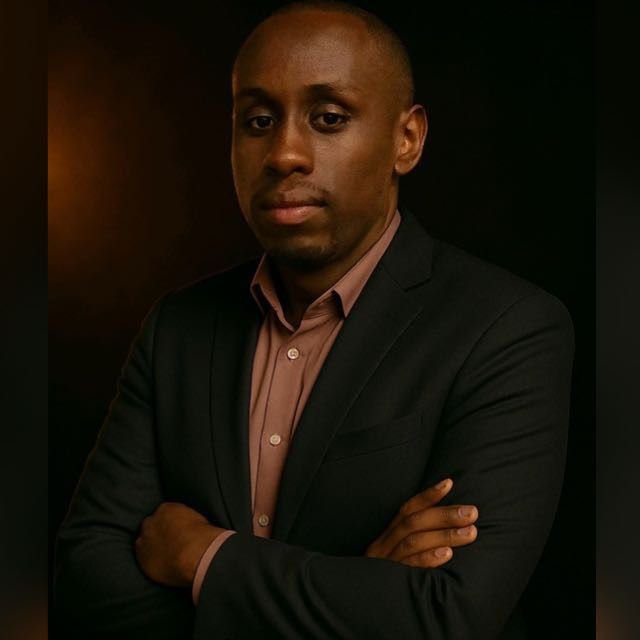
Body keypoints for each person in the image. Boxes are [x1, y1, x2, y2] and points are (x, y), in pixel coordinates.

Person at [54, 2, 574, 638]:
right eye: (258, 121)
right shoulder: (178, 330)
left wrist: (203, 557)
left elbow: (447, 616)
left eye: (328, 118)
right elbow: (85, 586)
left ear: (406, 140)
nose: (284, 154)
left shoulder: (508, 329)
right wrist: (359, 588)